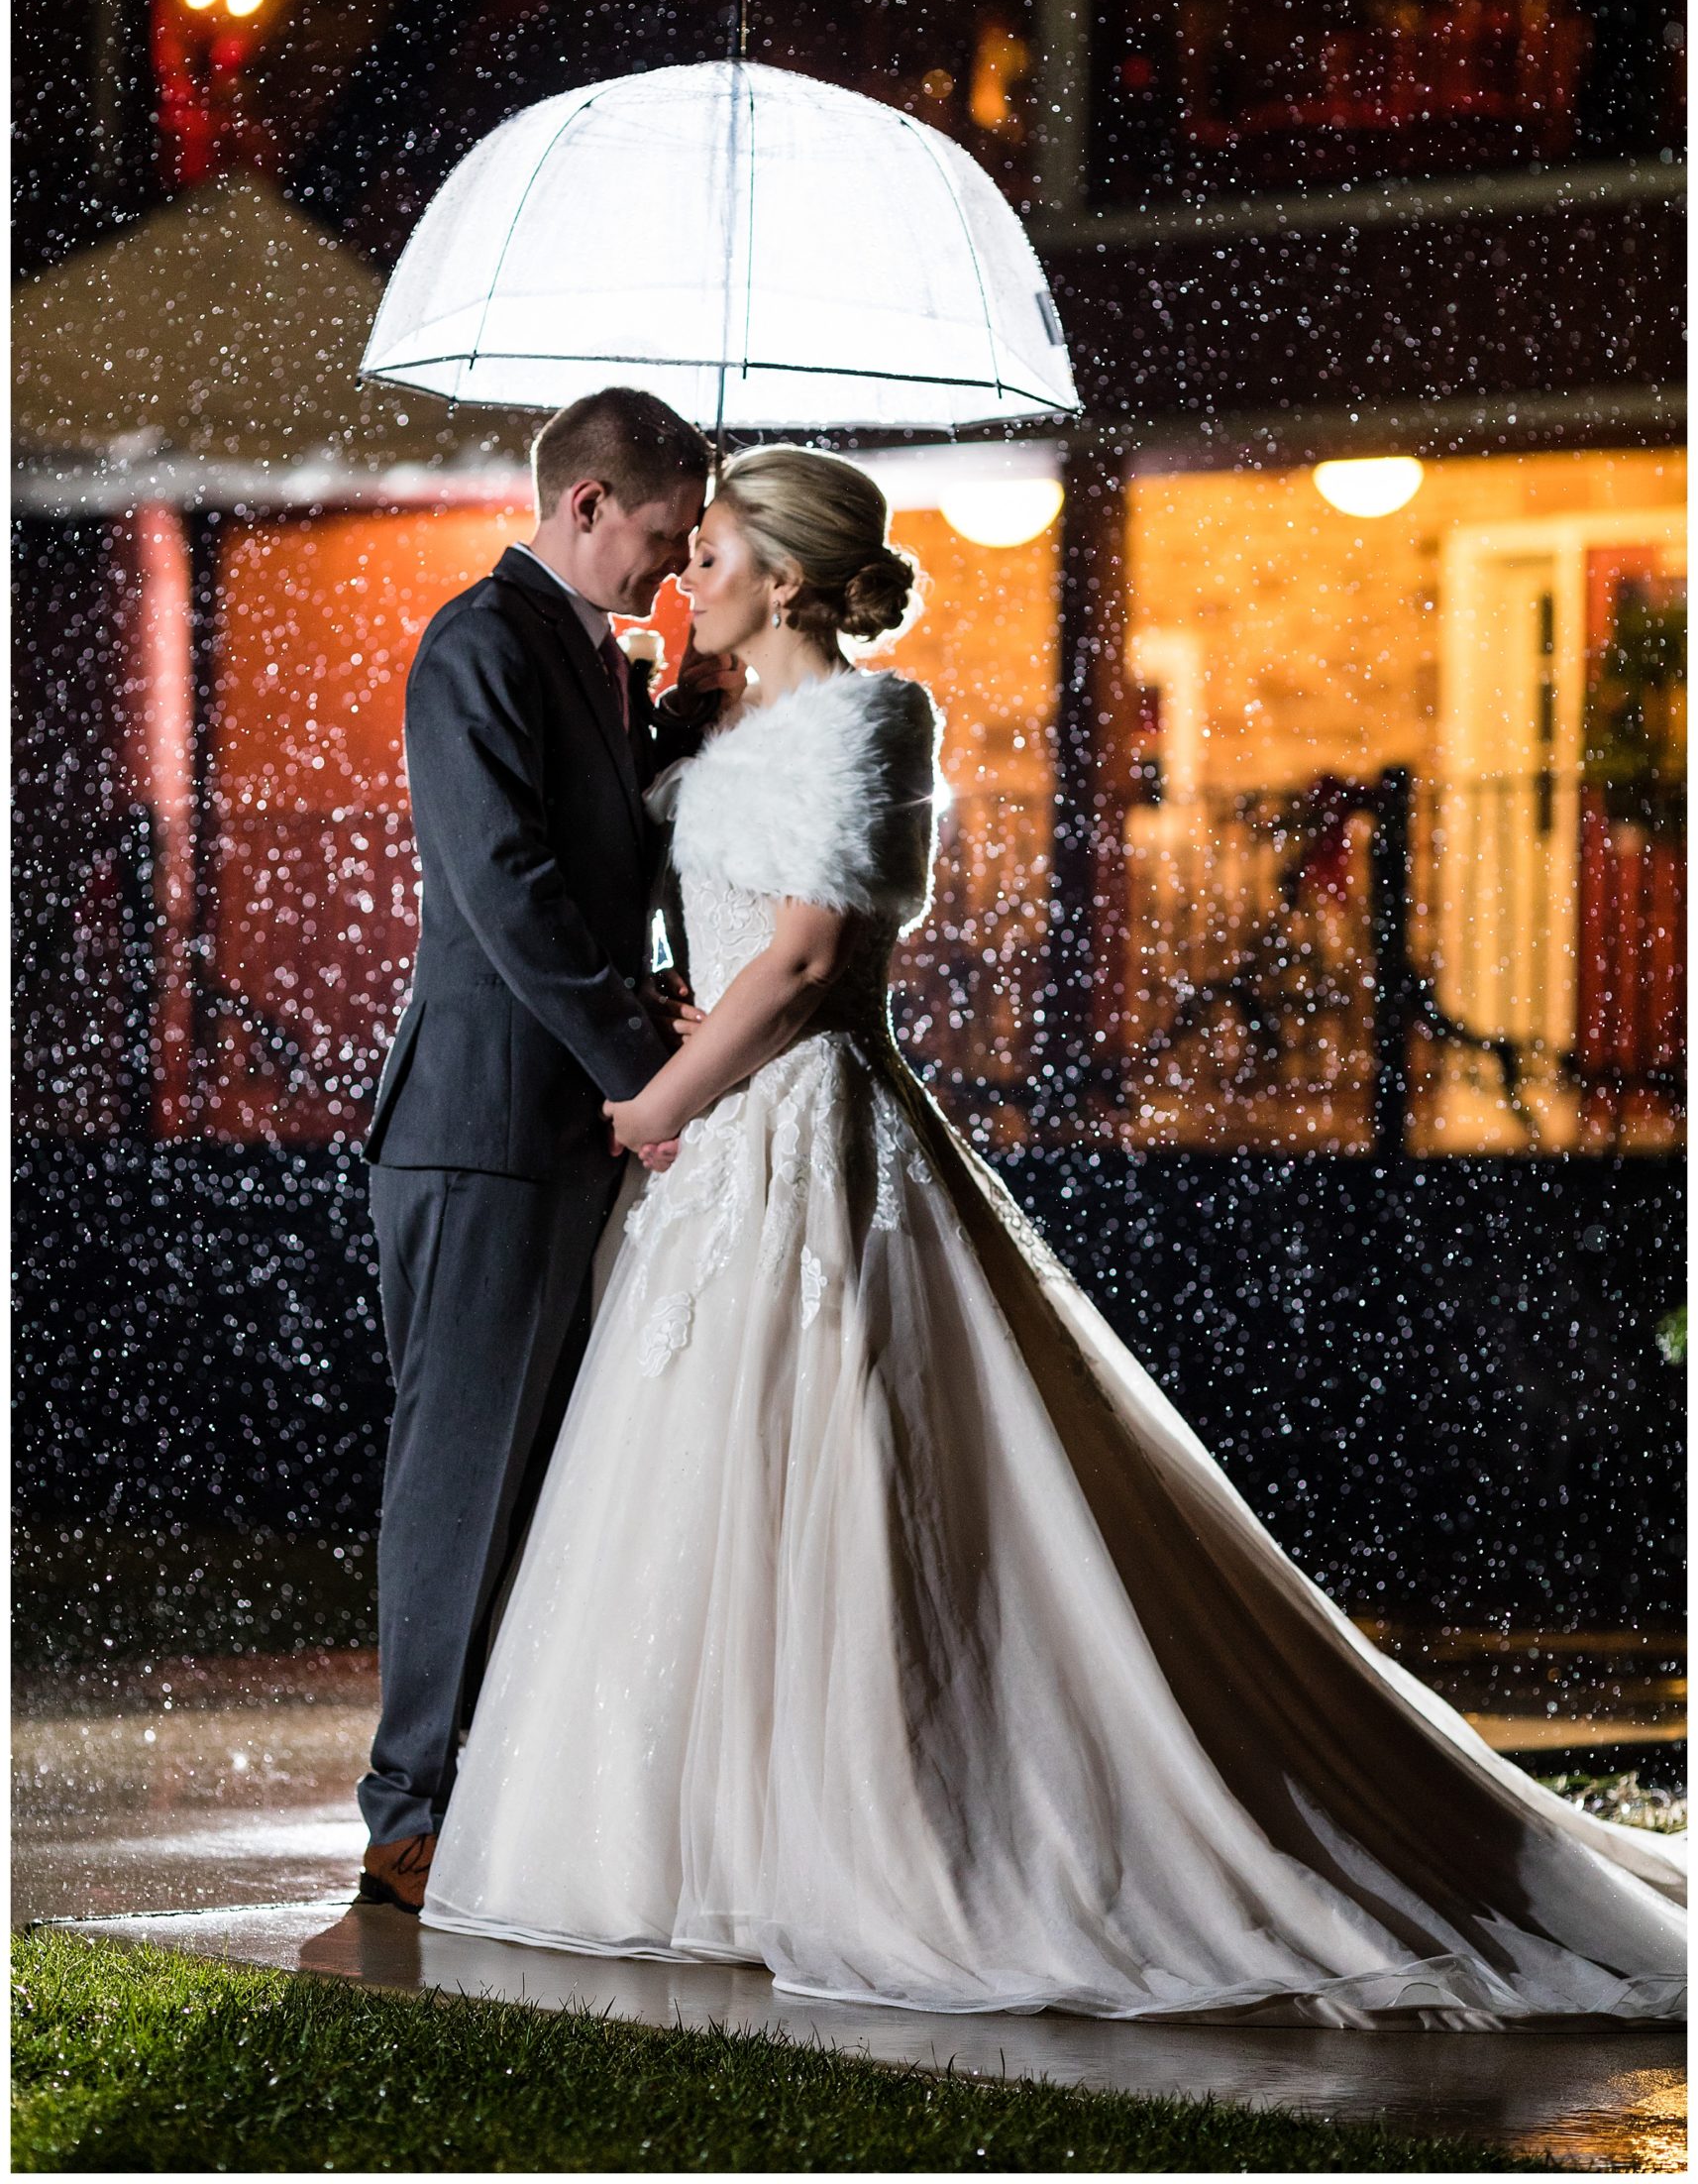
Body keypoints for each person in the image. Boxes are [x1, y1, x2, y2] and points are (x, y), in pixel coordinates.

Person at [418, 444, 1685, 2024]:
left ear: (792, 580)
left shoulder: (872, 720)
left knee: (845, 1474)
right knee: (695, 1485)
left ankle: (904, 1820)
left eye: (721, 551)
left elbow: (808, 962)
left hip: (800, 1130)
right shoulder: (713, 713)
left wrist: (649, 1092)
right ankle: (688, 1842)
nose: (692, 575)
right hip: (716, 1149)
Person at [356, 385, 724, 1911]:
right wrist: (657, 1073)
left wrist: (691, 705)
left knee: (538, 1476)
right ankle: (409, 1811)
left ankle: (485, 1789)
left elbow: (610, 867)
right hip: (482, 1131)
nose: (670, 565)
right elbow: (508, 895)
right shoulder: (477, 646)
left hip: (561, 1122)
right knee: (461, 1474)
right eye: (657, 535)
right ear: (583, 504)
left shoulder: (598, 660)